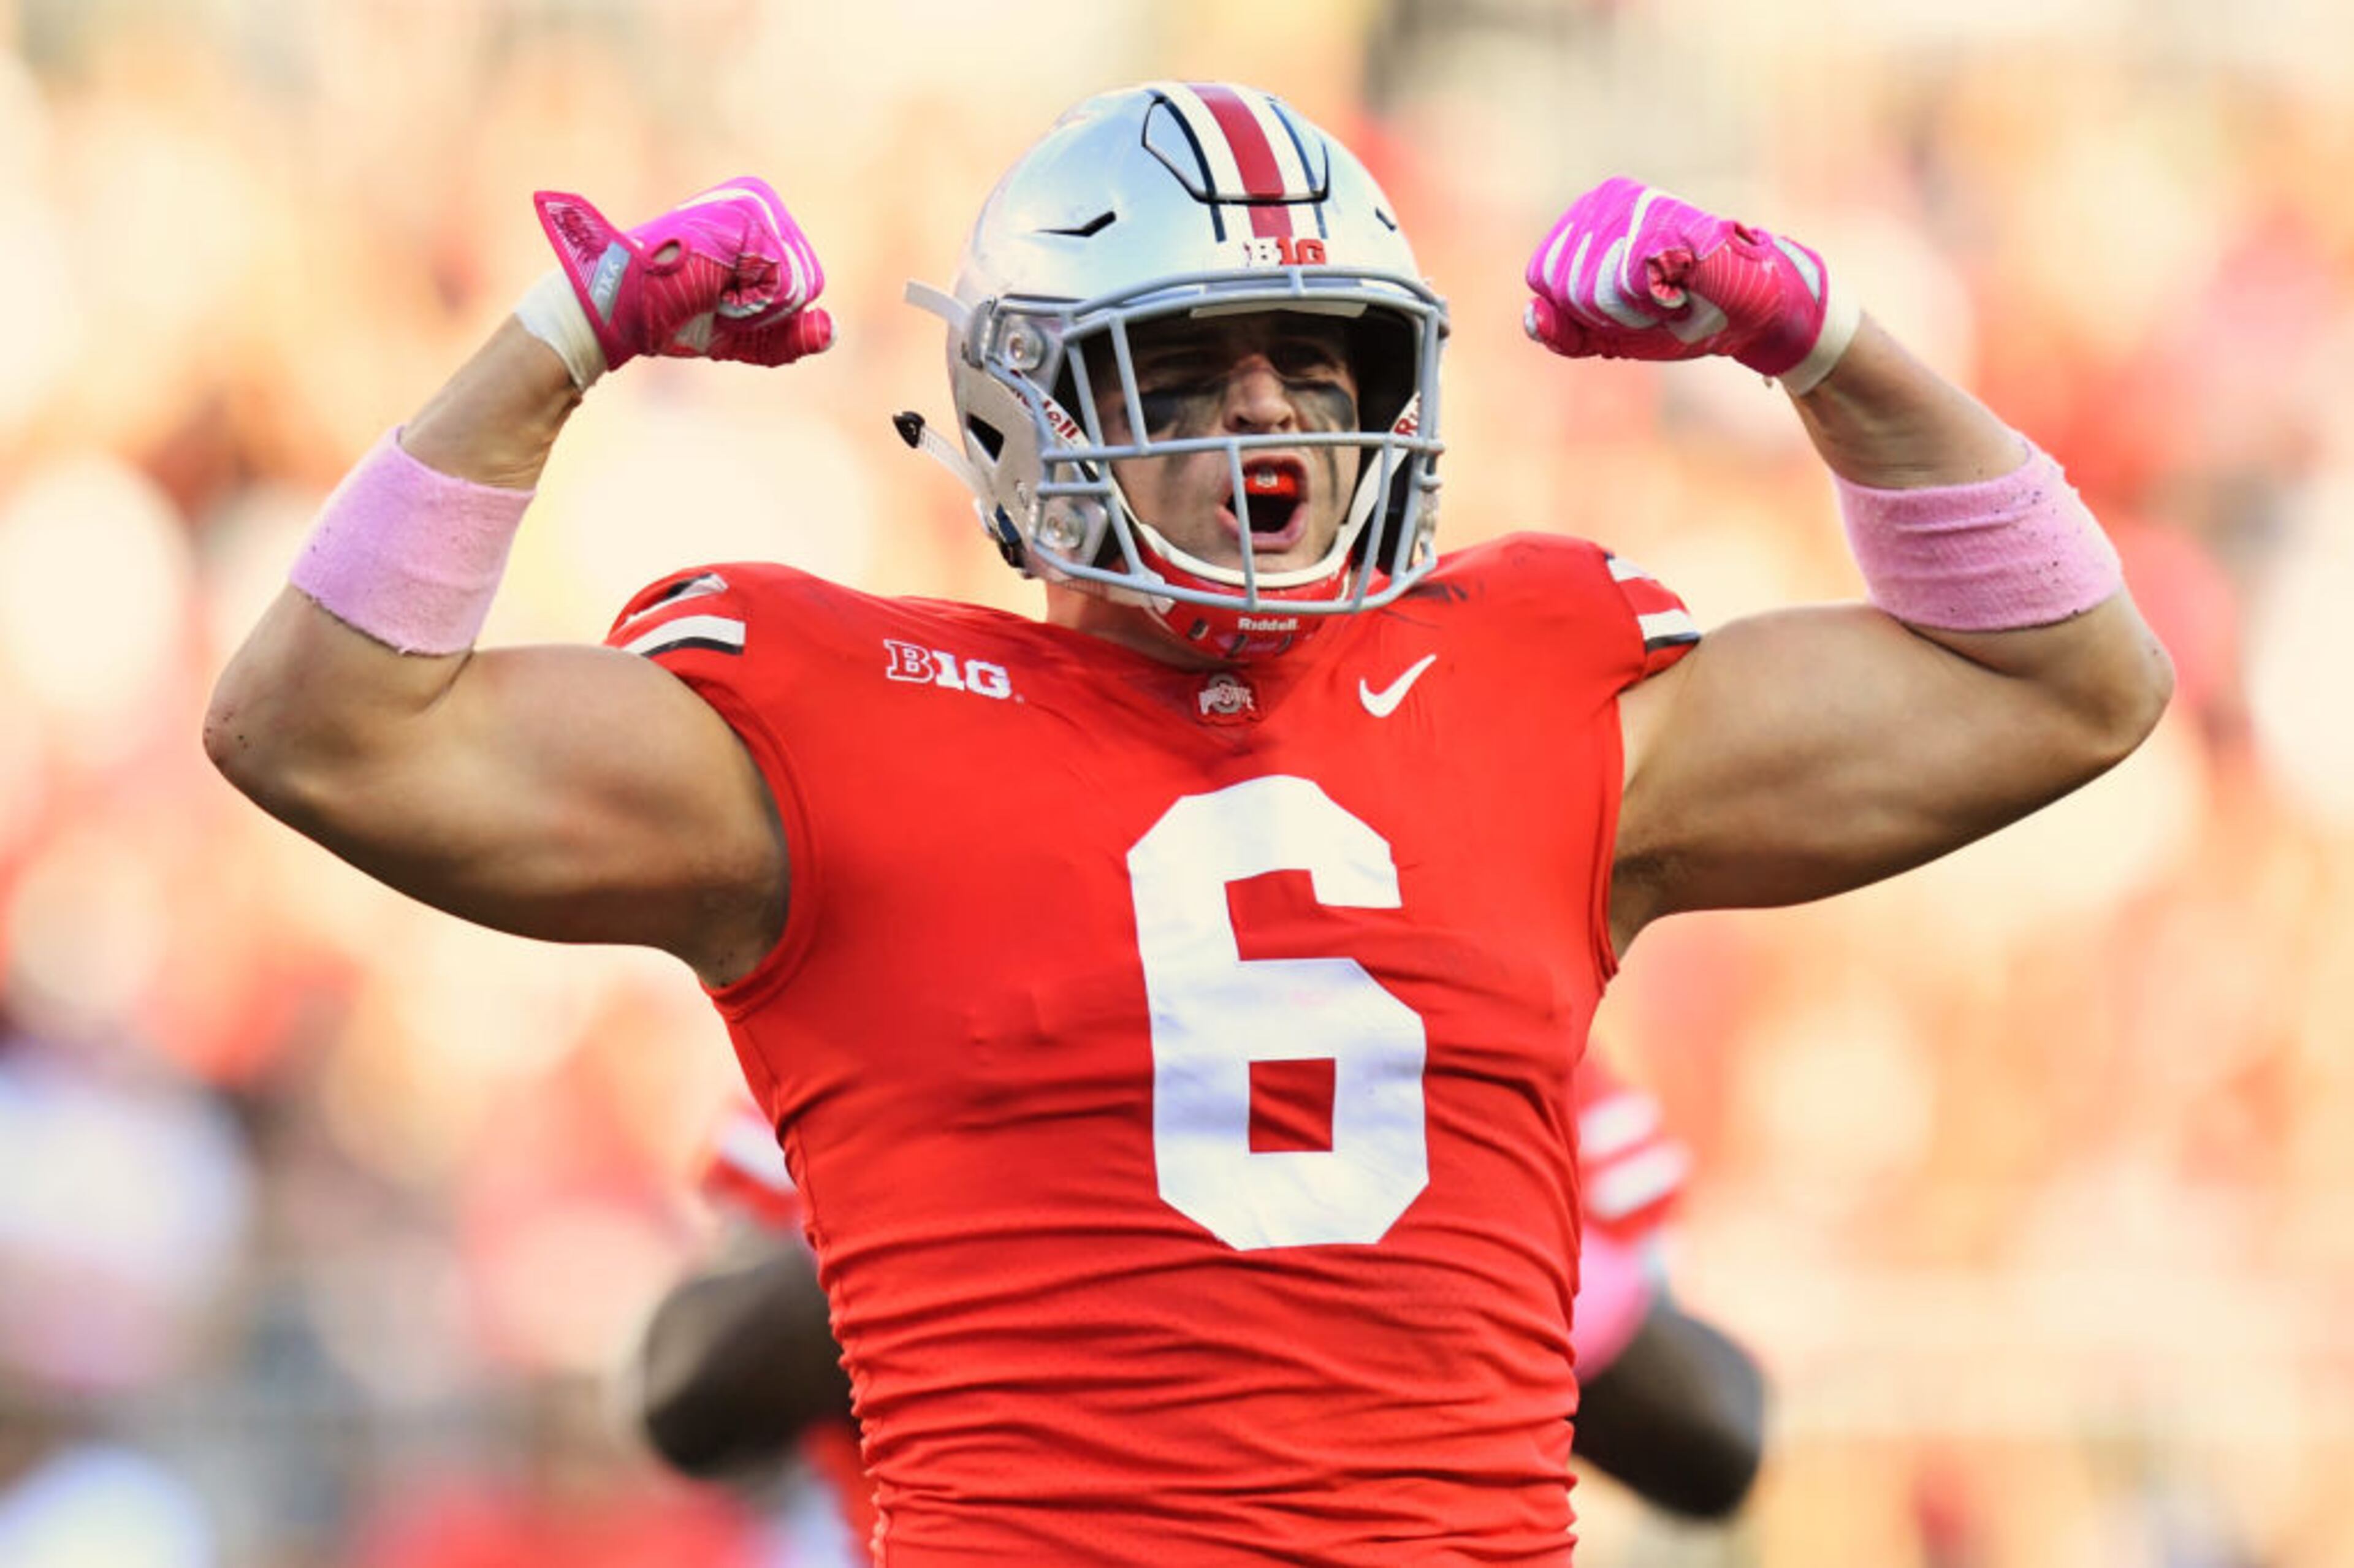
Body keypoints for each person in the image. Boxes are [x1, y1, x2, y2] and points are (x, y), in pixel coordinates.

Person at [205, 80, 2171, 1564]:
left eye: (1321, 365)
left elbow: (2070, 679)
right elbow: (319, 729)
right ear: (1020, 403)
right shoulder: (827, 715)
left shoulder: (1545, 679)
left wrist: (1816, 336)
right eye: (1188, 365)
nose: (1266, 423)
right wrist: (563, 339)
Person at [635, 1056, 1762, 1559]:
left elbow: (1714, 1438)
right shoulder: (888, 1000)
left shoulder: (1494, 1020)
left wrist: (1422, 1260)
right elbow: (689, 1390)